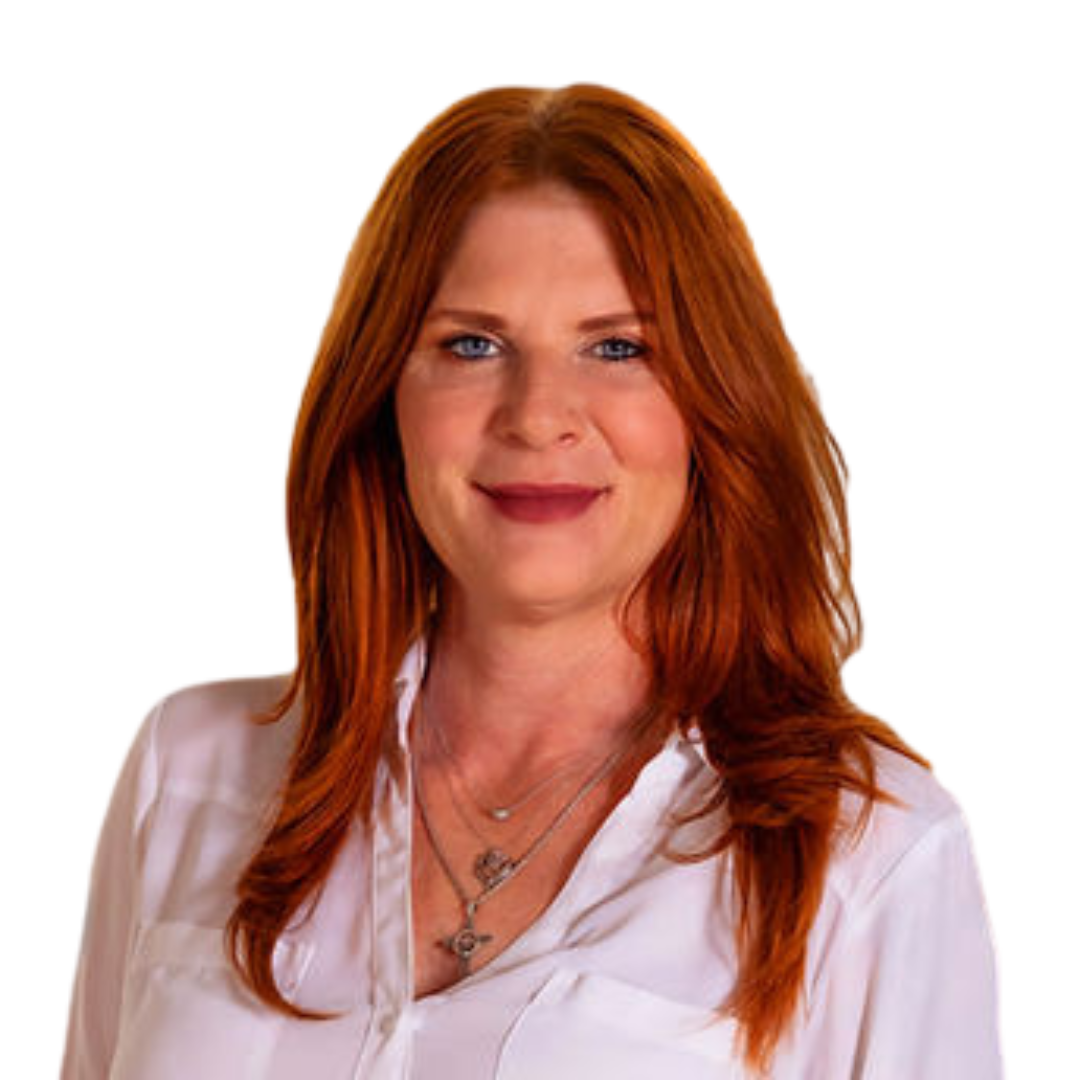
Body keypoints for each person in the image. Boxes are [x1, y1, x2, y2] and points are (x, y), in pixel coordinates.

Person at [59, 81, 1004, 1079]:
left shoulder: (868, 856)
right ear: (384, 397)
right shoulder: (187, 767)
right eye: (472, 344)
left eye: (618, 347)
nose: (539, 414)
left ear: (712, 408)